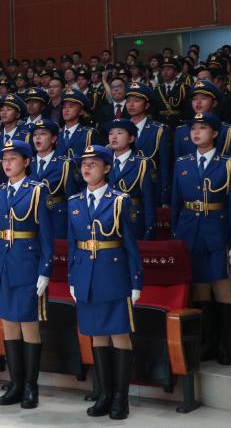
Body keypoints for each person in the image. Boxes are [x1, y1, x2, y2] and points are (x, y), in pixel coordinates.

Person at [68, 145, 143, 421]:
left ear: (107, 168)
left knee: (119, 333)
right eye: (84, 164)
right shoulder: (74, 201)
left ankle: (121, 398)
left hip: (114, 274)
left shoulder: (120, 200)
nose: (87, 168)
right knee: (96, 333)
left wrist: (136, 282)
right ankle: (104, 394)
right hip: (85, 274)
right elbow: (73, 243)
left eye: (94, 164)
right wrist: (72, 278)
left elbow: (131, 245)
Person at [0, 140, 52, 410]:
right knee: (8, 323)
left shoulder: (37, 190)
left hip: (27, 263)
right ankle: (15, 382)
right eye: (4, 159)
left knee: (27, 323)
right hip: (1, 262)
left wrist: (45, 270)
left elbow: (46, 235)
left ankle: (31, 386)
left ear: (26, 161)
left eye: (13, 158)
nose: (7, 163)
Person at [171, 112, 231, 366]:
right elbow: (176, 203)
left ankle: (223, 345)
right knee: (200, 286)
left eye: (202, 128)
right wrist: (176, 234)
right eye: (193, 128)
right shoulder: (183, 163)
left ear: (214, 133)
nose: (196, 132)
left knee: (222, 286)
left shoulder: (228, 163)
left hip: (217, 230)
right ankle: (207, 343)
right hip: (190, 230)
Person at [103, 119, 157, 240]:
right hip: (106, 221)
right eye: (111, 133)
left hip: (132, 219)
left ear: (131, 138)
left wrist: (149, 230)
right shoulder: (103, 162)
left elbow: (148, 200)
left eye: (119, 133)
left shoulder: (142, 164)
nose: (114, 137)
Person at [28, 119, 78, 239]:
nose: (37, 137)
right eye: (35, 134)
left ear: (54, 139)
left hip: (56, 218)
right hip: (30, 218)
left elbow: (73, 199)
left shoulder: (65, 164)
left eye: (43, 134)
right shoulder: (28, 163)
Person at [174, 80, 231, 159]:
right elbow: (178, 163)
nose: (198, 102)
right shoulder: (181, 131)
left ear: (214, 103)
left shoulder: (227, 131)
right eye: (194, 99)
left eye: (203, 98)